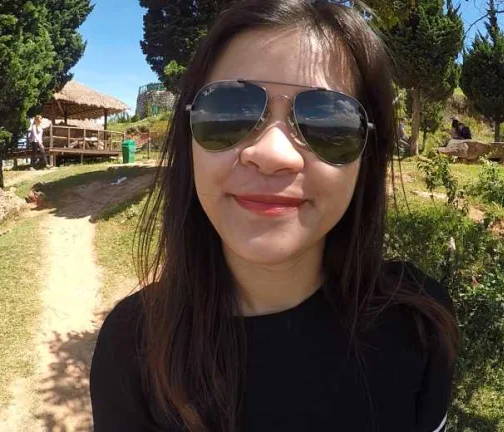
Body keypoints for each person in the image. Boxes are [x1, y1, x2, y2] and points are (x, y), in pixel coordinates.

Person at [90, 1, 458, 431]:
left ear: (368, 157)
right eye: (229, 111)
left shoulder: (419, 322)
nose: (271, 154)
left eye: (328, 123)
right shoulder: (132, 347)